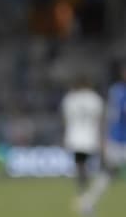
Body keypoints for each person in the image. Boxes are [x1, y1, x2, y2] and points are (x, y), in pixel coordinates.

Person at [78, 59, 126, 216]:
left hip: (117, 140)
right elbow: (115, 116)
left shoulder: (115, 91)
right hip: (120, 140)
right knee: (109, 173)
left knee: (109, 174)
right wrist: (105, 139)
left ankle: (87, 202)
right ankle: (87, 203)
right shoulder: (119, 92)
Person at [60, 74, 104, 208]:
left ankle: (83, 193)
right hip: (91, 137)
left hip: (75, 137)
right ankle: (87, 194)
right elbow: (99, 120)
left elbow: (65, 119)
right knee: (90, 167)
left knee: (80, 166)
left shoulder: (70, 98)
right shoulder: (95, 99)